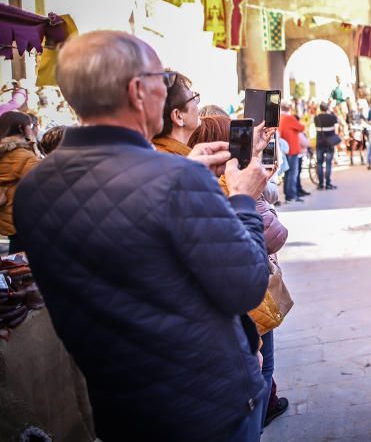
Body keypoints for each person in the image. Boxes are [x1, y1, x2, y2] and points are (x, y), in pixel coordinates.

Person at [13, 31, 272, 441]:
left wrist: (188, 177)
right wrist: (242, 199)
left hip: (121, 407)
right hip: (206, 405)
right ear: (137, 91)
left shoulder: (34, 188)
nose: (165, 91)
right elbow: (247, 285)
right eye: (162, 80)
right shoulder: (174, 179)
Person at [188, 115, 291, 430]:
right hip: (245, 307)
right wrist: (250, 196)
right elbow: (271, 237)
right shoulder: (225, 185)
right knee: (263, 369)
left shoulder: (191, 178)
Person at [0, 111, 40, 253]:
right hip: (24, 218)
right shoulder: (21, 155)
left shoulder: (4, 151)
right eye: (30, 125)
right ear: (21, 128)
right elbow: (42, 181)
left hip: (7, 215)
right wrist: (34, 146)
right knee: (24, 261)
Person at [151, 71, 200, 156]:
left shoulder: (152, 153)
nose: (197, 104)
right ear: (178, 116)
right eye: (193, 97)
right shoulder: (178, 162)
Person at [278, 102, 306, 203]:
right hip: (292, 148)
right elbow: (301, 127)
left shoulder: (279, 117)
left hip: (284, 149)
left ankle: (288, 194)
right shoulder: (289, 118)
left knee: (287, 173)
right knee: (292, 173)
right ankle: (291, 195)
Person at [314, 102, 340, 190]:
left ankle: (321, 184)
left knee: (319, 163)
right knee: (328, 163)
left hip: (319, 143)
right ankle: (328, 183)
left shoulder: (316, 118)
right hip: (329, 143)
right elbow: (338, 123)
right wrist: (332, 112)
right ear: (327, 108)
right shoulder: (332, 117)